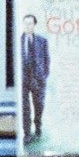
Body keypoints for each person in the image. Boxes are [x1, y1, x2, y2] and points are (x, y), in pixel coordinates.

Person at [17, 14, 50, 145]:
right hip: (23, 80)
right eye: (25, 23)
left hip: (38, 79)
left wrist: (44, 75)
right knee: (25, 108)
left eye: (30, 23)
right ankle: (27, 133)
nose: (28, 26)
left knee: (39, 105)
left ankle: (38, 123)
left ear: (34, 24)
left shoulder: (42, 41)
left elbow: (47, 60)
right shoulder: (18, 41)